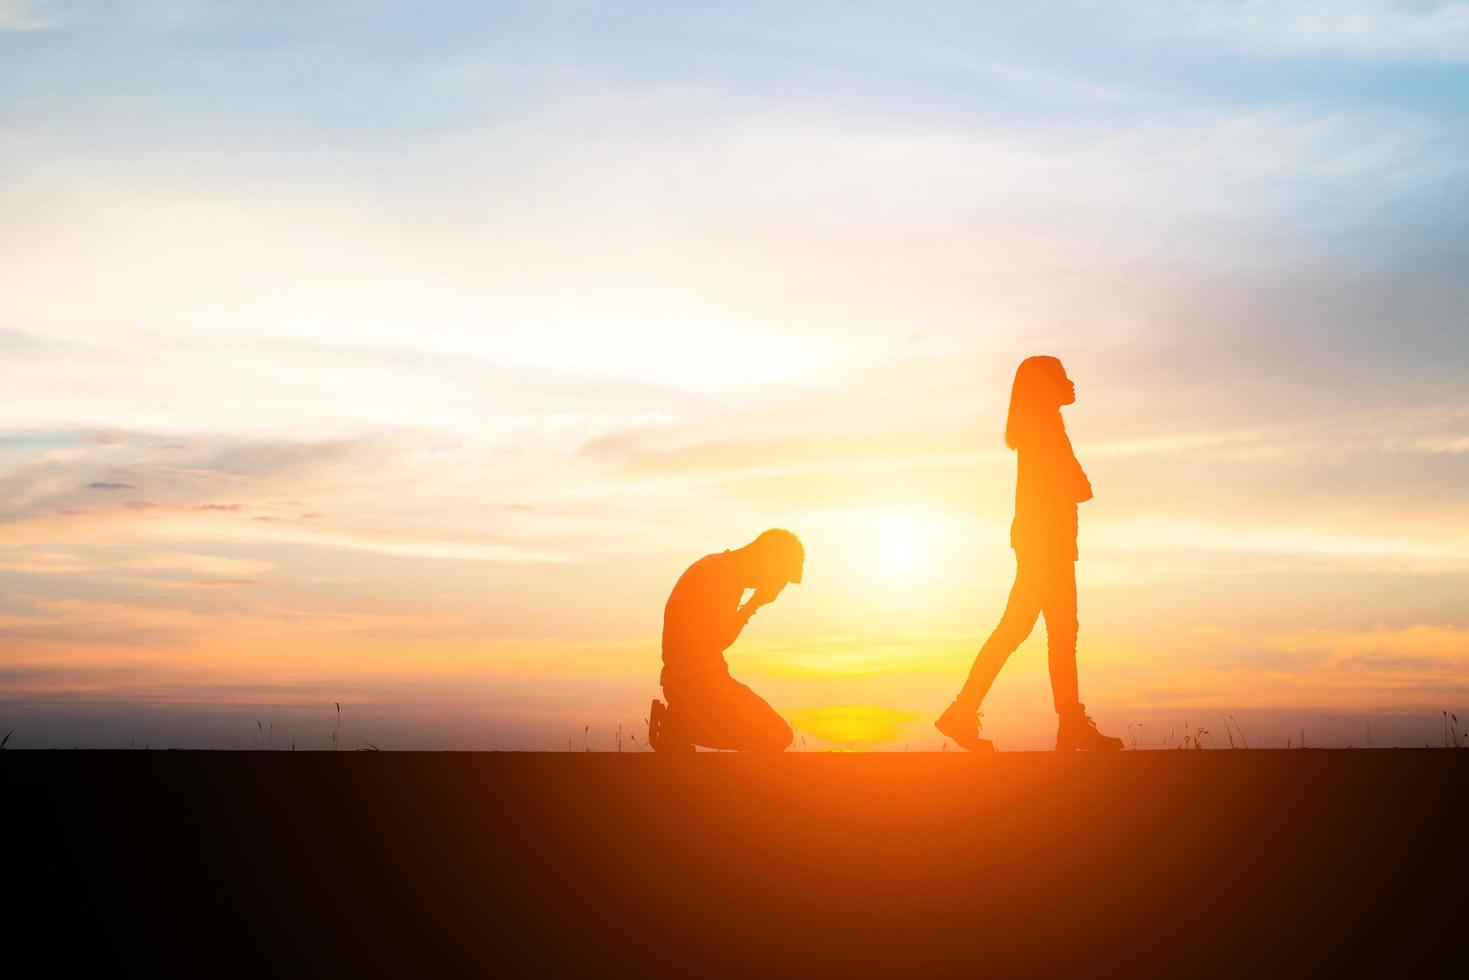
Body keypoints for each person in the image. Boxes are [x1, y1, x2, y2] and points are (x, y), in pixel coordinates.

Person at [935, 356, 1123, 752]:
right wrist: (1074, 485)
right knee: (1044, 633)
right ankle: (1061, 722)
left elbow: (1075, 485)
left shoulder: (1041, 428)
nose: (1071, 383)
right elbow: (1079, 487)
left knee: (1031, 630)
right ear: (1044, 387)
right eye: (1062, 377)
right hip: (1046, 543)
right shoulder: (1045, 429)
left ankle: (970, 711)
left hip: (1043, 542)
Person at [648, 529, 803, 753]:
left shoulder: (719, 568)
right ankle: (680, 724)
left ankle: (680, 723)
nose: (775, 584)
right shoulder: (723, 575)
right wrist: (754, 604)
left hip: (690, 680)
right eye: (778, 576)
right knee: (777, 736)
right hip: (697, 683)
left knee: (772, 735)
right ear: (769, 561)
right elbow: (719, 639)